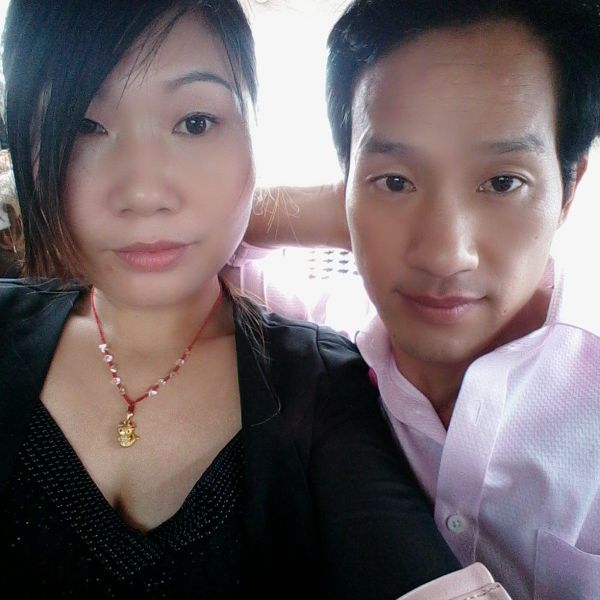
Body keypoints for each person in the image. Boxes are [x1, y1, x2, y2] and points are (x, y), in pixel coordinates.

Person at [0, 0, 509, 598]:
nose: (143, 193)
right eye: (83, 127)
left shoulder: (320, 384)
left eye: (195, 123)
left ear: (252, 137)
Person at [237, 1, 600, 599]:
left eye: (502, 182)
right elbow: (215, 246)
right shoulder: (339, 336)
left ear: (569, 188)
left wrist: (384, 188)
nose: (444, 254)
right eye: (395, 181)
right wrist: (349, 207)